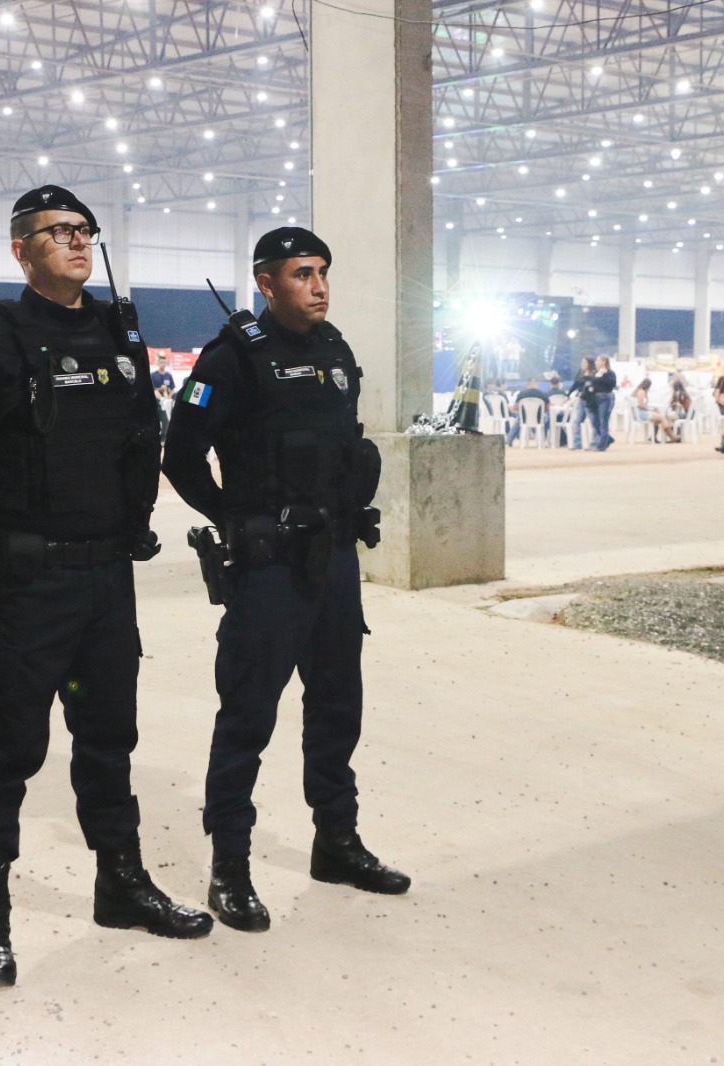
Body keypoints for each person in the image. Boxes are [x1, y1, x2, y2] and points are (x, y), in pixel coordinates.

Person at [0, 185, 210, 989]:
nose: (77, 242)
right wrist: (3, 522)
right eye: (58, 232)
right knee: (9, 749)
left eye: (85, 230)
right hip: (29, 585)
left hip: (106, 579)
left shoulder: (119, 334)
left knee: (109, 738)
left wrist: (132, 517)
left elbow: (140, 438)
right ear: (22, 250)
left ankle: (120, 884)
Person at [162, 225, 410, 934]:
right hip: (269, 566)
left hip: (333, 560)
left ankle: (337, 842)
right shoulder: (231, 359)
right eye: (303, 273)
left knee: (337, 708)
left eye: (323, 272)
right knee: (247, 715)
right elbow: (181, 456)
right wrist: (236, 520)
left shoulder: (335, 350)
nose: (319, 285)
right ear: (266, 283)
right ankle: (230, 865)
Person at [631, 378, 679, 442]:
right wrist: (650, 410)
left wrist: (650, 409)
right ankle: (671, 435)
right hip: (640, 413)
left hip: (639, 412)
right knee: (662, 417)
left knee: (658, 418)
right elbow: (641, 405)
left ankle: (653, 437)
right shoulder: (641, 392)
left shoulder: (639, 391)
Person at [589, 355, 617, 451]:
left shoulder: (610, 373)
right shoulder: (595, 373)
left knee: (603, 421)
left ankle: (601, 445)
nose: (596, 362)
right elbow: (592, 382)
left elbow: (612, 384)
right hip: (595, 398)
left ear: (604, 361)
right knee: (595, 421)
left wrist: (603, 376)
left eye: (598, 360)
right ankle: (607, 438)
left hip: (605, 397)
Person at [568, 357, 596, 450]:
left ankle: (595, 442)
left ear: (590, 364)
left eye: (585, 362)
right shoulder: (580, 372)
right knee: (577, 421)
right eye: (582, 362)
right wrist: (568, 394)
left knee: (593, 422)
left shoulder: (595, 373)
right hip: (581, 398)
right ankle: (577, 443)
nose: (582, 364)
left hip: (591, 399)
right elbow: (575, 384)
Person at [150, 352, 175, 441]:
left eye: (164, 362)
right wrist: (161, 391)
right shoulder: (153, 375)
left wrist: (169, 397)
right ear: (158, 363)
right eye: (161, 362)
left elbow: (172, 388)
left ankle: (163, 439)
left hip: (166, 403)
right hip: (156, 403)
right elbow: (153, 389)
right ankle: (154, 438)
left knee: (165, 421)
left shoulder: (169, 375)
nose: (163, 364)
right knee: (155, 421)